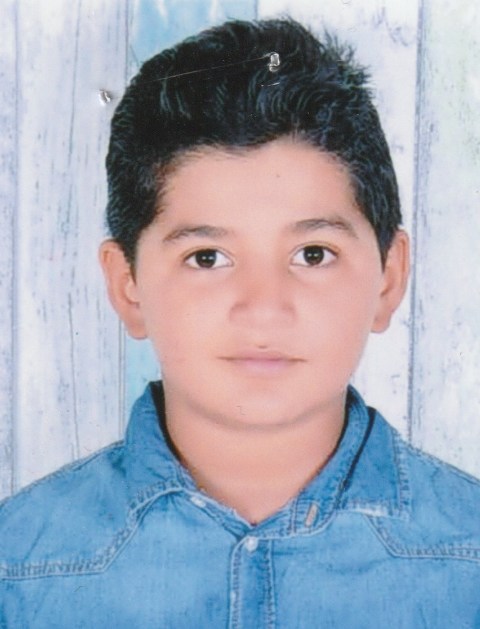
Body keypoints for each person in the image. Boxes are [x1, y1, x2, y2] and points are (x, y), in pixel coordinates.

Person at [1, 17, 479, 628]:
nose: (263, 307)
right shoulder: (17, 571)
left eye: (313, 254)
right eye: (207, 258)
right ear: (128, 286)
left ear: (388, 277)